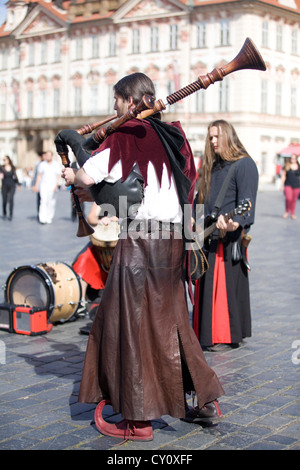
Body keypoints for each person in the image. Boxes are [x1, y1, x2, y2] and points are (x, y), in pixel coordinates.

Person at [58, 72, 224, 442]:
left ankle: (138, 421)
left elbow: (87, 176)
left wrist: (72, 173)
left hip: (140, 241)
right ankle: (203, 399)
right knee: (173, 322)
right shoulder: (177, 137)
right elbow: (188, 187)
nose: (112, 108)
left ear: (131, 103)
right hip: (174, 239)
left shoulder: (123, 136)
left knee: (127, 325)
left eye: (116, 102)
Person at [193, 120, 258, 352]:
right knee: (206, 288)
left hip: (229, 240)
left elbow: (246, 204)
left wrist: (232, 225)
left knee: (224, 291)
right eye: (210, 137)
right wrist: (194, 222)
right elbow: (200, 200)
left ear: (228, 136)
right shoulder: (211, 167)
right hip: (207, 237)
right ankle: (206, 333)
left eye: (217, 137)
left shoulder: (244, 165)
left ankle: (225, 334)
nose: (213, 142)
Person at [72, 202, 118, 318]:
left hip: (120, 240)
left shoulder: (125, 195)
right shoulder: (101, 198)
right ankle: (81, 301)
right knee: (84, 258)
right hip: (100, 242)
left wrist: (115, 219)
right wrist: (100, 221)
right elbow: (91, 217)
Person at [32, 150, 61, 224]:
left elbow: (58, 176)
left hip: (52, 185)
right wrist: (36, 185)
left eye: (49, 155)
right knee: (43, 201)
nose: (48, 157)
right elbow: (39, 176)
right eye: (46, 155)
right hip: (43, 185)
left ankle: (49, 216)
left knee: (51, 202)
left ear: (52, 156)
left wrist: (56, 185)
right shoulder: (42, 164)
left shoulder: (56, 164)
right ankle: (42, 218)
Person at [0, 155, 20, 220]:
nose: (4, 161)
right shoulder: (1, 167)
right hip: (4, 185)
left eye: (5, 159)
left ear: (8, 160)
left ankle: (11, 214)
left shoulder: (12, 167)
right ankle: (5, 212)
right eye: (3, 160)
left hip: (12, 185)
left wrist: (18, 184)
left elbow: (15, 176)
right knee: (4, 200)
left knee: (11, 199)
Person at [281, 154, 300, 220]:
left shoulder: (299, 166)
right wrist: (282, 185)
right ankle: (286, 212)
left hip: (297, 185)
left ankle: (292, 213)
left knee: (294, 200)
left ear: (296, 159)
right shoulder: (287, 166)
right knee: (288, 198)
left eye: (294, 158)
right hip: (288, 184)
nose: (293, 160)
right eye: (292, 158)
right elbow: (283, 175)